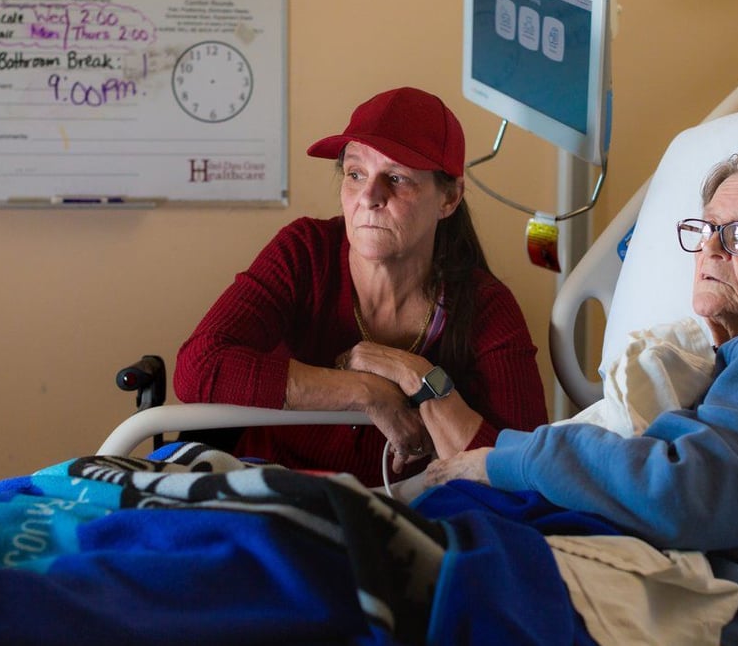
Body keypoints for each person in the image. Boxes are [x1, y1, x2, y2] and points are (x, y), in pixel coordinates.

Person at [423, 148, 738, 645]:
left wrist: (505, 461)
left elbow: (679, 492)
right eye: (707, 229)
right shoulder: (726, 366)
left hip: (669, 605)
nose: (712, 250)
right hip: (617, 579)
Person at [175, 86, 548, 488]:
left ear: (450, 198)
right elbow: (199, 366)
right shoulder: (304, 253)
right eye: (355, 174)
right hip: (272, 493)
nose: (368, 196)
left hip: (409, 514)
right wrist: (363, 390)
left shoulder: (485, 306)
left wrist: (416, 374)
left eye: (397, 177)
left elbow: (524, 468)